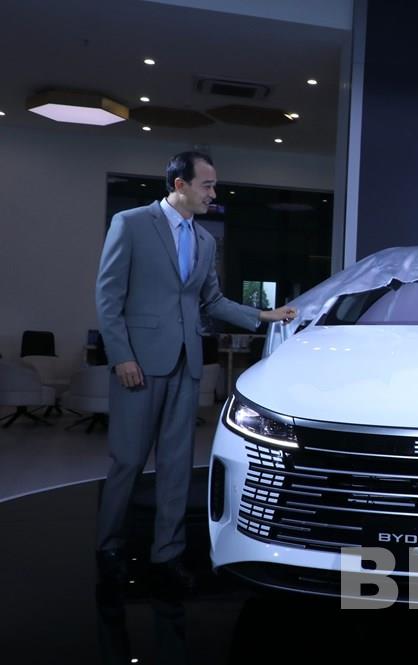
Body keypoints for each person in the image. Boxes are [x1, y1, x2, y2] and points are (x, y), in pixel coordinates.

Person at [95, 151, 296, 590]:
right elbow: (108, 297)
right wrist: (121, 356)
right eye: (207, 185)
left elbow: (212, 301)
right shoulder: (131, 224)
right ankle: (108, 548)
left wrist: (264, 316)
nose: (213, 193)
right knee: (128, 461)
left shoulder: (205, 240)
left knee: (176, 465)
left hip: (187, 362)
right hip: (138, 364)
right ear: (180, 185)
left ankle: (166, 554)